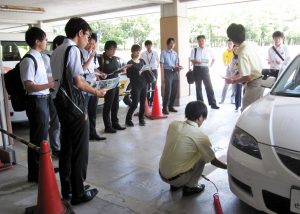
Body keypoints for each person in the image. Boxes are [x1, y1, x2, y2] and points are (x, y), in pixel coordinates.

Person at [51, 17, 106, 205]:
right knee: (80, 150)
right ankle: (79, 193)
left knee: (67, 147)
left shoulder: (57, 50)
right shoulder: (73, 49)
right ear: (80, 33)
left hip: (60, 102)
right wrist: (97, 91)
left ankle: (67, 188)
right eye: (87, 35)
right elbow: (79, 82)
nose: (87, 40)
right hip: (74, 104)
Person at [159, 101, 227, 196]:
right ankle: (191, 187)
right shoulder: (200, 137)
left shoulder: (173, 124)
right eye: (203, 118)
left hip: (162, 174)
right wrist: (228, 167)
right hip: (176, 179)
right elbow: (213, 161)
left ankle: (175, 185)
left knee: (182, 148)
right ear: (200, 118)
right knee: (202, 155)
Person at [20, 27, 54, 183]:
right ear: (37, 41)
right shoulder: (28, 60)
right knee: (37, 138)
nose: (46, 42)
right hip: (36, 101)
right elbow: (29, 86)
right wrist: (49, 85)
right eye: (45, 39)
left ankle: (43, 169)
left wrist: (49, 84)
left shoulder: (40, 57)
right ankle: (35, 174)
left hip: (44, 99)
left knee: (42, 137)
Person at [226, 23, 264, 112]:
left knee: (247, 112)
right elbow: (250, 69)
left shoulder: (242, 52)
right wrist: (236, 77)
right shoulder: (251, 44)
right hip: (260, 81)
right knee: (256, 110)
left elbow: (248, 77)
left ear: (232, 38)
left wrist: (233, 81)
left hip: (254, 84)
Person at [42, 35, 66, 158]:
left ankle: (59, 146)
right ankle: (55, 148)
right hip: (52, 93)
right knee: (56, 121)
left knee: (60, 121)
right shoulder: (47, 57)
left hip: (59, 92)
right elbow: (47, 76)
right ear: (57, 45)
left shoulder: (57, 56)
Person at [81, 33, 106, 141]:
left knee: (93, 112)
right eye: (90, 43)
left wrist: (101, 73)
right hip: (84, 87)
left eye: (93, 44)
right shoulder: (80, 53)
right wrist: (90, 57)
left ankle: (93, 132)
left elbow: (94, 69)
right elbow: (82, 69)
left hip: (94, 86)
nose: (91, 46)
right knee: (84, 113)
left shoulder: (93, 54)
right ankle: (84, 135)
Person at [99, 40, 126, 133]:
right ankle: (108, 126)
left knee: (116, 104)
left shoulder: (115, 59)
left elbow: (116, 70)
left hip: (116, 83)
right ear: (106, 49)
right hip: (107, 85)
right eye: (112, 49)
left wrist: (121, 71)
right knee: (108, 105)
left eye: (115, 49)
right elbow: (97, 73)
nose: (114, 51)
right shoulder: (101, 59)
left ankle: (115, 123)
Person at [190, 35, 219, 109]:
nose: (201, 42)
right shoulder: (195, 50)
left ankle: (213, 104)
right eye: (199, 41)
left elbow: (214, 58)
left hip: (205, 69)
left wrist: (210, 66)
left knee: (209, 86)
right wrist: (197, 61)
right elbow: (191, 59)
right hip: (196, 69)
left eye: (202, 40)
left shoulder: (209, 49)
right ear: (197, 41)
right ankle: (200, 104)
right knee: (198, 87)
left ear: (205, 41)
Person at [125, 44, 147, 127]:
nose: (138, 53)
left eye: (139, 51)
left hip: (144, 84)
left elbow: (146, 71)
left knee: (143, 103)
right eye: (136, 51)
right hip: (135, 85)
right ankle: (128, 119)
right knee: (134, 103)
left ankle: (141, 119)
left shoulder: (142, 61)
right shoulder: (129, 63)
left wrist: (146, 70)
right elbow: (128, 75)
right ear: (132, 52)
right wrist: (137, 73)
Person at [160, 38, 180, 115]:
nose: (172, 45)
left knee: (175, 90)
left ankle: (171, 106)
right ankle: (164, 108)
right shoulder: (163, 52)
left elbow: (176, 64)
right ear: (167, 44)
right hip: (167, 72)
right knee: (168, 91)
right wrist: (162, 76)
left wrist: (178, 68)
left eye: (173, 43)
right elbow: (161, 65)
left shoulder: (175, 53)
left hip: (175, 72)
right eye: (171, 43)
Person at [140, 40, 159, 106]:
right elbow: (141, 62)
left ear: (151, 45)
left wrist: (156, 66)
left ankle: (152, 100)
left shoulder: (155, 52)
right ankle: (147, 100)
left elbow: (158, 61)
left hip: (154, 70)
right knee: (147, 86)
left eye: (150, 45)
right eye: (147, 45)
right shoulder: (143, 53)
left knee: (154, 85)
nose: (149, 46)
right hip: (146, 71)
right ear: (145, 46)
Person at [220, 39, 234, 104]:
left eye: (231, 44)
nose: (229, 45)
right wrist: (226, 64)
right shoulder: (225, 53)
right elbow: (224, 62)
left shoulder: (235, 51)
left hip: (235, 70)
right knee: (226, 84)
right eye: (228, 44)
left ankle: (232, 100)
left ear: (233, 44)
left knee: (234, 85)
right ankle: (222, 100)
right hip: (228, 69)